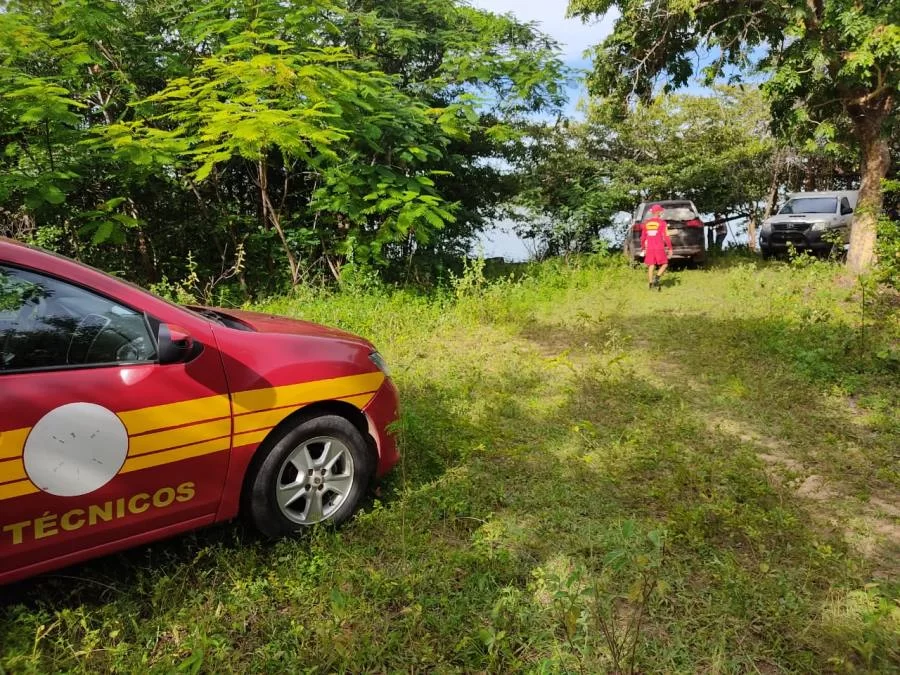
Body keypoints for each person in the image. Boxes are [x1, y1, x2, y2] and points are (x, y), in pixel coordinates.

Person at [640, 204, 673, 290]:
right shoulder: (662, 223)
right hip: (659, 247)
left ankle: (651, 285)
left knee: (651, 265)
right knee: (665, 264)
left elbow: (643, 237)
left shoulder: (646, 223)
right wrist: (670, 248)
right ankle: (657, 279)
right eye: (661, 211)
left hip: (649, 247)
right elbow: (666, 236)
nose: (662, 212)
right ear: (658, 212)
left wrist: (643, 248)